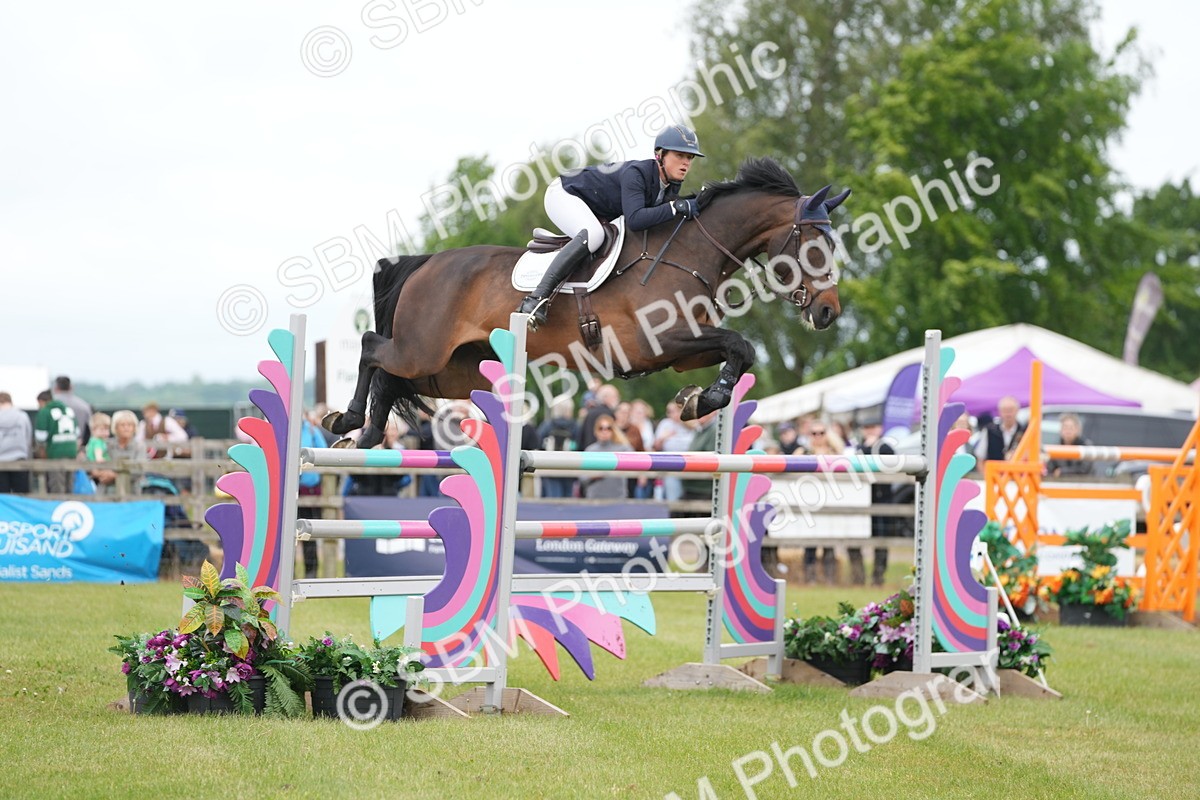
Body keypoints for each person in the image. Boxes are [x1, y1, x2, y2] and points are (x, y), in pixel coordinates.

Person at [516, 124, 705, 328]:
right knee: (594, 235)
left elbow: (660, 217)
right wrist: (676, 207)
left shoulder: (670, 184)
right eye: (679, 155)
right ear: (660, 155)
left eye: (690, 158)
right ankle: (536, 299)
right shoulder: (637, 173)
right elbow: (636, 219)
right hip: (563, 194)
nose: (686, 163)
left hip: (593, 207)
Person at [854, 418, 897, 587]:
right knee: (858, 536)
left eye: (872, 426)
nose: (869, 430)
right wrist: (866, 447)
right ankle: (859, 576)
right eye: (866, 427)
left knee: (881, 539)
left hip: (882, 499)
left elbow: (890, 463)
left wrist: (871, 447)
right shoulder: (859, 447)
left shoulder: (886, 447)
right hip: (863, 499)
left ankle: (878, 576)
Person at [803, 421, 843, 584]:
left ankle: (829, 578)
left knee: (829, 543)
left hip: (829, 502)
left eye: (821, 432)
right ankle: (810, 578)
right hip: (809, 501)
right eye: (814, 433)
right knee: (809, 544)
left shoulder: (836, 453)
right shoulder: (804, 453)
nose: (818, 436)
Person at [34, 389, 78, 493]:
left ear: (42, 401)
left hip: (55, 454)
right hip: (72, 452)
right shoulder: (68, 410)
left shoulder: (45, 411)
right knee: (69, 485)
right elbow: (77, 432)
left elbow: (40, 437)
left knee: (56, 486)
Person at [652, 401, 695, 501]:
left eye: (675, 411)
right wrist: (663, 437)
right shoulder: (665, 424)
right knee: (673, 495)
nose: (673, 414)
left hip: (689, 465)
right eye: (669, 412)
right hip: (671, 465)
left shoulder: (692, 425)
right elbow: (656, 446)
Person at [537, 398, 578, 499]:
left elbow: (538, 443)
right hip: (570, 467)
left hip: (549, 467)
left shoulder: (547, 425)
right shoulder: (575, 426)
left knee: (552, 499)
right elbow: (580, 445)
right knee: (568, 499)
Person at [582, 414, 629, 499]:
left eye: (608, 428)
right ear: (595, 431)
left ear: (613, 430)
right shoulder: (590, 450)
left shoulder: (623, 448)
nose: (605, 431)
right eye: (601, 428)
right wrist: (594, 475)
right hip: (594, 498)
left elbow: (635, 465)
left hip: (617, 497)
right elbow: (582, 477)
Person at [974, 396, 1025, 470]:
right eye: (1005, 410)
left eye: (1011, 410)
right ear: (999, 412)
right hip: (994, 477)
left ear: (1017, 411)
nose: (1008, 413)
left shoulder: (1025, 431)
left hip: (1018, 478)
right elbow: (980, 459)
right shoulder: (989, 430)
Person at [0, 392, 33, 494]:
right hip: (20, 460)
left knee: (2, 499)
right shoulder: (22, 416)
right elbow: (28, 437)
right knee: (22, 497)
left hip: (1, 462)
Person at [1046, 413, 1094, 478]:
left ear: (1078, 430)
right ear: (1060, 430)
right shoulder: (1056, 448)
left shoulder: (1086, 447)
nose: (1068, 431)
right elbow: (1050, 469)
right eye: (1065, 427)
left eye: (1071, 428)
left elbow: (1084, 469)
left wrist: (1062, 472)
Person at [52, 376, 93, 447]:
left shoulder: (49, 405)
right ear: (71, 387)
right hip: (79, 447)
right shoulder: (84, 405)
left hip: (54, 448)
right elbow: (90, 430)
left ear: (55, 388)